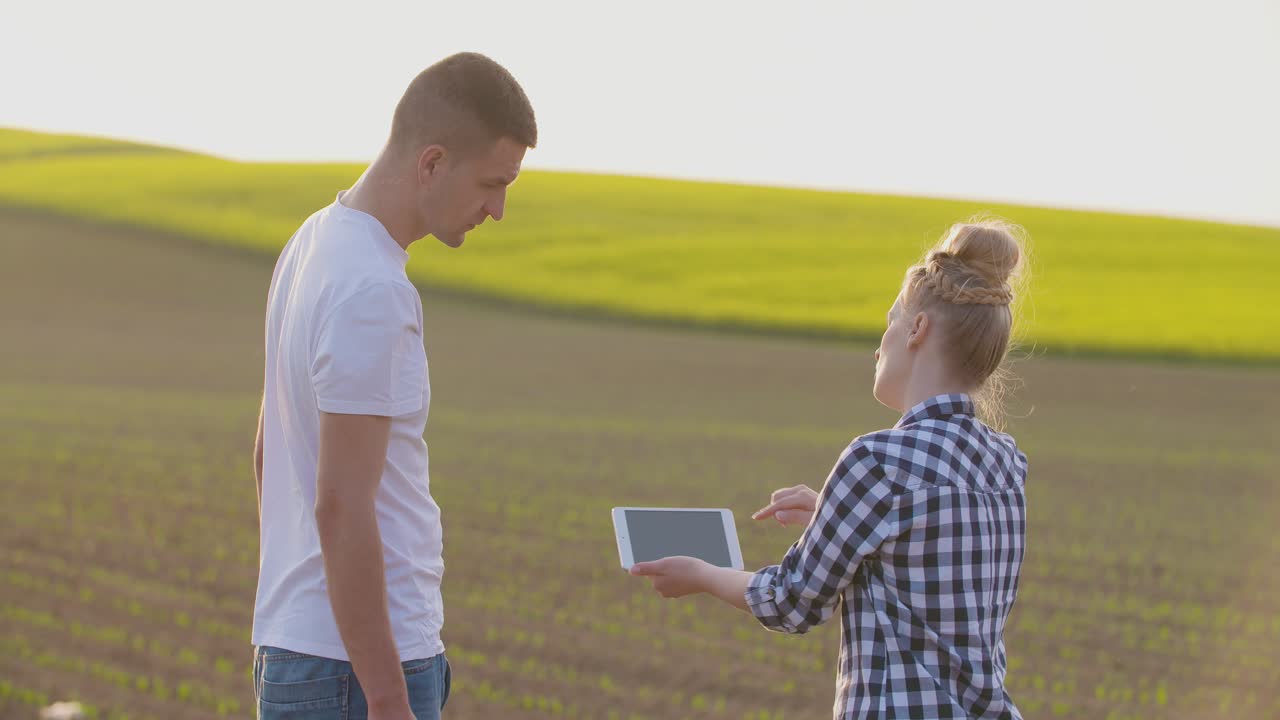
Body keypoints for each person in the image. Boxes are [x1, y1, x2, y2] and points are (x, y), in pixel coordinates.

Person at [630, 218, 1031, 719]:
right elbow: (933, 561)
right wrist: (834, 513)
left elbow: (792, 602)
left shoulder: (878, 463)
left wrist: (705, 574)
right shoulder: (1007, 465)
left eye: (891, 321)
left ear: (918, 330)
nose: (879, 343)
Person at [251, 52, 536, 720]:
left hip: (305, 648)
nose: (496, 211)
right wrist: (385, 694)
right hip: (357, 672)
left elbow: (270, 452)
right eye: (492, 184)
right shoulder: (371, 290)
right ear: (431, 162)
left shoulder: (312, 241)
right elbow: (342, 506)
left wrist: (294, 607)